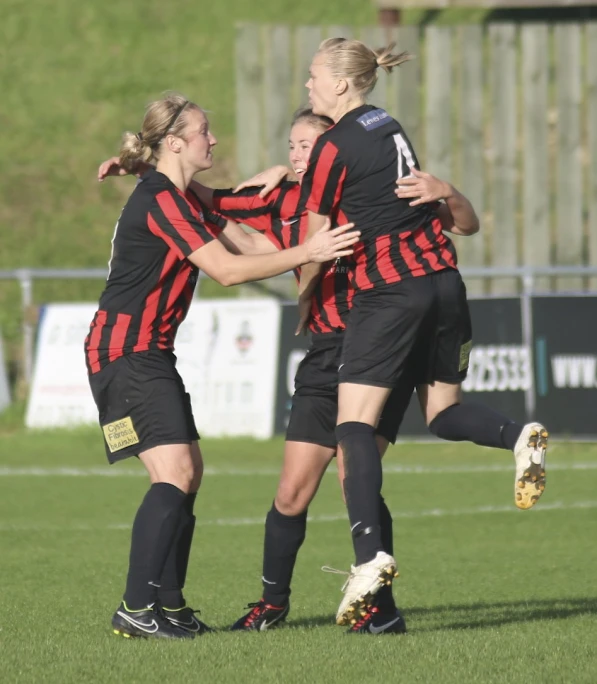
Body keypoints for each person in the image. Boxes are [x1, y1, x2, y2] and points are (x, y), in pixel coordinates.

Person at [99, 107, 411, 635]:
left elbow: (255, 242)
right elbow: (225, 269)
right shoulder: (159, 198)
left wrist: (299, 235)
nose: (214, 140)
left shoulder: (172, 196)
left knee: (187, 475)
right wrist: (308, 249)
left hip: (148, 353)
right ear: (174, 143)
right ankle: (135, 608)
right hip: (125, 353)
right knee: (174, 475)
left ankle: (169, 609)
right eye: (203, 133)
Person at [292, 38, 548, 626]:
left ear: (339, 84)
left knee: (352, 425)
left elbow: (315, 237)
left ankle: (368, 558)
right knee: (441, 413)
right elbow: (428, 210)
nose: (307, 87)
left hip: (391, 293)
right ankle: (517, 435)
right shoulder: (388, 124)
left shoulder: (333, 144)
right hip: (444, 284)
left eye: (312, 77)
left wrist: (305, 290)